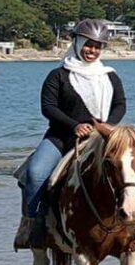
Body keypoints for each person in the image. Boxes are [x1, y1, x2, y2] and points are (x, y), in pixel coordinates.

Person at [15, 20, 127, 249]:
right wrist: (74, 125)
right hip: (61, 136)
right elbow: (48, 107)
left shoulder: (109, 76)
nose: (92, 51)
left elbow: (120, 104)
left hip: (99, 137)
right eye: (88, 45)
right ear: (77, 42)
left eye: (97, 47)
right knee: (36, 173)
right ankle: (30, 223)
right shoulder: (58, 75)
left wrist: (106, 127)